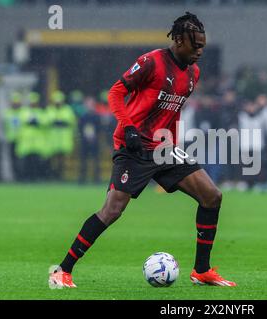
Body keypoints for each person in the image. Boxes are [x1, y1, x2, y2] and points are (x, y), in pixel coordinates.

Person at [49, 12, 236, 288]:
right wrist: (128, 128)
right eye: (195, 45)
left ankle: (201, 270)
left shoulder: (193, 73)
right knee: (112, 210)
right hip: (133, 147)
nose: (200, 51)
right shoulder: (152, 62)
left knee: (212, 196)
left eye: (203, 46)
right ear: (180, 40)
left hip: (164, 148)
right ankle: (62, 271)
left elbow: (171, 113)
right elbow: (115, 92)